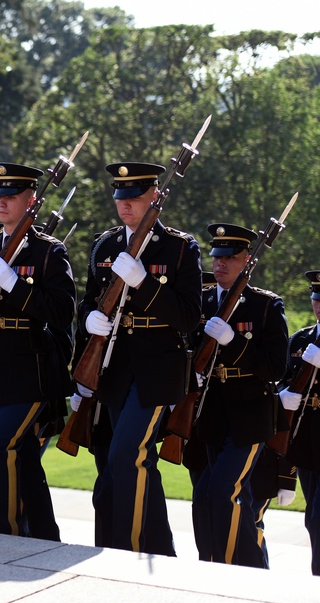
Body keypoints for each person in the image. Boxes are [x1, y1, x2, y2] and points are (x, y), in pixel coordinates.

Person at [77, 162, 201, 555]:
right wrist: (90, 321)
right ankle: (160, 549)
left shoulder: (180, 248)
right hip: (113, 369)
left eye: (134, 199)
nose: (125, 206)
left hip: (157, 372)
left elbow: (187, 317)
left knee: (127, 454)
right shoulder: (105, 245)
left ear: (154, 198)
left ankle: (129, 552)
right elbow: (86, 304)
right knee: (133, 462)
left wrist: (143, 283)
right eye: (120, 198)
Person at [0, 163, 75, 541]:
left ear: (31, 201)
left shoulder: (47, 252)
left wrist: (14, 286)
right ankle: (44, 537)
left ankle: (6, 536)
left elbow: (62, 311)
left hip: (31, 369)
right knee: (22, 457)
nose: (2, 203)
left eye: (11, 197)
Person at [189, 223, 288, 568]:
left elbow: (275, 367)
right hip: (212, 412)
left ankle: (229, 572)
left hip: (250, 414)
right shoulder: (201, 302)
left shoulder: (265, 306)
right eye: (217, 257)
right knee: (205, 495)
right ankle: (226, 563)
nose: (220, 265)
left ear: (246, 259)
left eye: (230, 258)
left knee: (223, 490)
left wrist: (234, 343)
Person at [278, 270, 320, 574]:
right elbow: (281, 381)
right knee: (312, 517)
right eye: (316, 298)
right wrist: (282, 396)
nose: (319, 305)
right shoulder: (301, 339)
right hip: (306, 444)